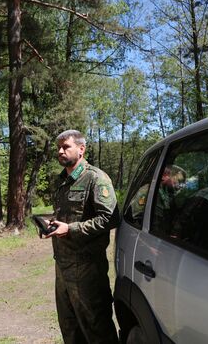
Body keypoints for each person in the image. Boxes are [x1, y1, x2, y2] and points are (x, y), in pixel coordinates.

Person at [43, 129, 119, 344]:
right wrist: (52, 226)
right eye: (58, 147)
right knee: (69, 327)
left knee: (97, 328)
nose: (60, 151)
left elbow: (110, 219)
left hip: (87, 269)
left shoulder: (95, 178)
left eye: (65, 146)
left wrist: (71, 229)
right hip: (63, 266)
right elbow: (66, 217)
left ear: (81, 149)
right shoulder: (61, 181)